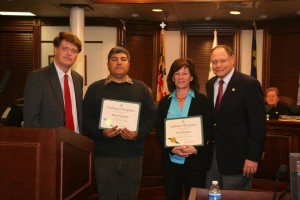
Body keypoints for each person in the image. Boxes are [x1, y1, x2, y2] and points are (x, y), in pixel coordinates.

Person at [82, 46, 156, 200]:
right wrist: (102, 132)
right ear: (108, 64)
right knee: (106, 196)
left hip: (133, 155)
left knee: (130, 196)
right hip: (104, 155)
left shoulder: (141, 89)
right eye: (114, 59)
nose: (119, 63)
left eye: (123, 59)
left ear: (129, 64)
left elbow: (150, 117)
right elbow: (87, 118)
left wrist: (138, 133)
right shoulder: (95, 89)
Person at [205, 45, 266, 190]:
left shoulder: (249, 84)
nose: (218, 65)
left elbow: (258, 126)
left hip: (238, 161)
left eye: (222, 60)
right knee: (212, 196)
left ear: (232, 59)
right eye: (214, 62)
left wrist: (252, 157)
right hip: (212, 159)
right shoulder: (210, 84)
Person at [156, 58, 210, 200]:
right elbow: (160, 130)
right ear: (172, 77)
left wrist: (195, 147)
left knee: (194, 198)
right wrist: (171, 148)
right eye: (177, 73)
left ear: (191, 77)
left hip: (195, 162)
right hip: (171, 162)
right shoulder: (164, 102)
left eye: (185, 73)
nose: (181, 77)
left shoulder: (202, 100)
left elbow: (208, 129)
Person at [23, 31, 83, 133]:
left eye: (74, 51)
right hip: (48, 143)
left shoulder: (78, 79)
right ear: (55, 50)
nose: (69, 54)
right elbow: (31, 119)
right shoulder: (37, 77)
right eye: (65, 49)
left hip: (75, 143)